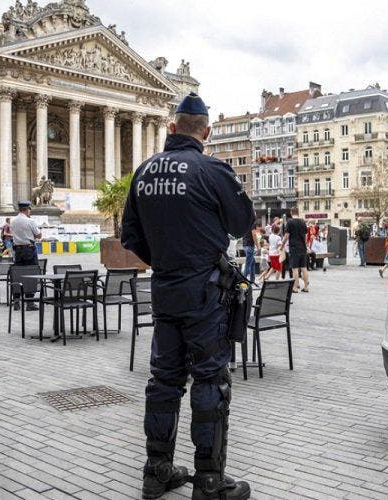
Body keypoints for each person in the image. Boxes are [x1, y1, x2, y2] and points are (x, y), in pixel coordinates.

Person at [121, 93, 253, 500]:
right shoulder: (212, 170)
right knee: (211, 380)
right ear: (207, 132)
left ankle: (156, 470)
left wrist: (165, 261)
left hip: (165, 291)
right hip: (205, 295)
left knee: (164, 380)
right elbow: (242, 222)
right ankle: (210, 482)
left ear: (172, 128)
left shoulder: (144, 173)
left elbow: (130, 237)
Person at [11, 201, 42, 310]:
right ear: (27, 209)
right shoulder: (30, 221)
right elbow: (38, 235)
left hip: (17, 251)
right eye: (29, 209)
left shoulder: (13, 221)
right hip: (29, 249)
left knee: (17, 275)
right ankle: (29, 302)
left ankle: (16, 300)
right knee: (31, 275)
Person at [283, 207, 309, 292]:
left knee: (295, 268)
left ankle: (295, 287)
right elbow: (305, 236)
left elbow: (286, 236)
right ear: (298, 212)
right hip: (303, 248)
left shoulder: (290, 222)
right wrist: (306, 246)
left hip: (294, 248)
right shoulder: (303, 221)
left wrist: (282, 245)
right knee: (304, 268)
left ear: (291, 212)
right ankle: (305, 287)